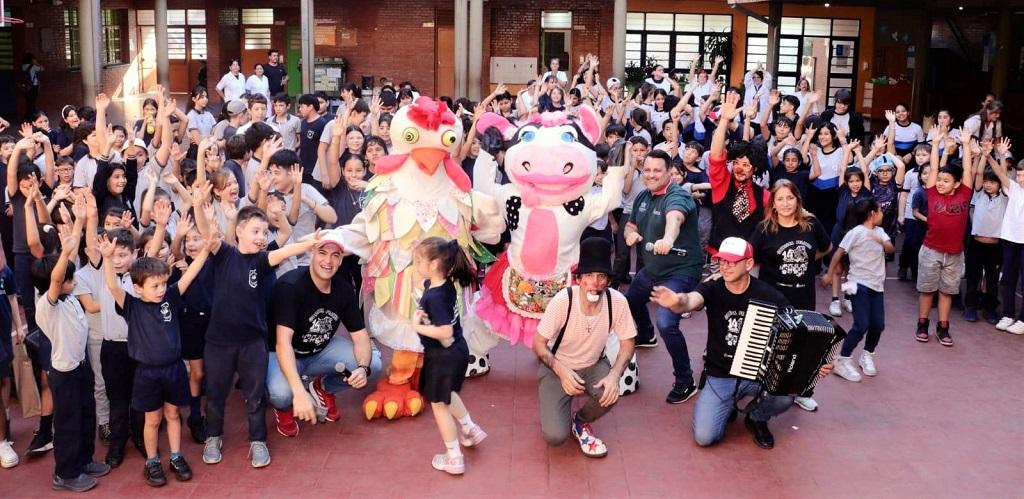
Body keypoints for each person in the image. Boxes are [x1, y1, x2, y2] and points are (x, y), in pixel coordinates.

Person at [650, 237, 832, 450]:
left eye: (732, 261)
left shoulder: (768, 295)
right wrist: (677, 302)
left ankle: (757, 417)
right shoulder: (712, 288)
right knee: (704, 437)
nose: (725, 266)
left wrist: (816, 362)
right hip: (720, 375)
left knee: (785, 395)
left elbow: (800, 331)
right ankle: (728, 406)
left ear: (748, 264)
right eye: (722, 261)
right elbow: (690, 300)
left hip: (757, 376)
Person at [193, 201, 324, 468]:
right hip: (218, 343)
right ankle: (212, 436)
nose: (261, 238)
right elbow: (209, 236)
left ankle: (258, 441)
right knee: (216, 395)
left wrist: (308, 244)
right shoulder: (224, 255)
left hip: (253, 343)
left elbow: (284, 251)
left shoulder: (262, 261)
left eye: (265, 233)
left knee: (255, 396)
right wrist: (199, 209)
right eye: (255, 231)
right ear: (239, 231)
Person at [99, 230, 211, 486]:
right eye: (155, 286)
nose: (161, 290)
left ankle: (175, 455)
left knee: (173, 415)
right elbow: (113, 286)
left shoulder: (170, 297)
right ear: (138, 288)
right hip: (147, 373)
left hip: (173, 370)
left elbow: (191, 274)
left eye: (163, 283)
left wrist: (207, 247)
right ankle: (152, 460)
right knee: (152, 419)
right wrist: (107, 259)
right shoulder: (132, 306)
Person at [30, 199, 112, 492]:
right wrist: (63, 254)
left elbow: (71, 258)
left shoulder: (71, 291)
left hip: (81, 366)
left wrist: (78, 221)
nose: (74, 277)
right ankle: (65, 473)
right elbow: (57, 274)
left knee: (86, 413)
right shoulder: (47, 305)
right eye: (68, 277)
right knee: (68, 422)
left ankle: (84, 459)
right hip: (63, 373)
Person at [267, 232, 382, 436]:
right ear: (312, 253)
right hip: (283, 354)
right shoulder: (290, 286)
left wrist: (362, 369)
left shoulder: (343, 289)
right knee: (281, 393)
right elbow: (282, 343)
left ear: (340, 260)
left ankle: (323, 387)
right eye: (322, 252)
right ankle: (284, 408)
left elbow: (361, 336)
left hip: (320, 350)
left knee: (373, 364)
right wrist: (298, 392)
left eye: (335, 255)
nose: (328, 261)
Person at [532, 237, 636, 458]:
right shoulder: (563, 301)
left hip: (593, 364)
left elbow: (628, 343)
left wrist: (614, 375)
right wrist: (562, 372)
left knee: (610, 393)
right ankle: (557, 407)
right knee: (555, 437)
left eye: (601, 276)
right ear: (578, 279)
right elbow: (538, 344)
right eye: (589, 276)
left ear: (608, 280)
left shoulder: (617, 301)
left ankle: (580, 421)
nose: (595, 282)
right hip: (558, 367)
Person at [623, 149, 703, 403]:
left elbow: (674, 219)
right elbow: (631, 224)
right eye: (647, 170)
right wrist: (629, 235)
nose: (651, 175)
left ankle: (685, 381)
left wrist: (668, 239)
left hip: (680, 271)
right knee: (632, 299)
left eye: (657, 170)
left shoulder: (677, 196)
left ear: (669, 171)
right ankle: (645, 335)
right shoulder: (643, 197)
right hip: (653, 269)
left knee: (668, 323)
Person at [411, 237, 488, 476]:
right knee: (449, 394)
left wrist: (418, 326)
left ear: (434, 265)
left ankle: (454, 456)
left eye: (419, 260)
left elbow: (444, 331)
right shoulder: (442, 285)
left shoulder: (434, 296)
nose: (415, 264)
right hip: (457, 352)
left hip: (442, 356)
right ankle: (469, 427)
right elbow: (421, 284)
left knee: (438, 404)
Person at [915, 126, 974, 346]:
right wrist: (936, 144)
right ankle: (922, 324)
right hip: (931, 249)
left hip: (954, 254)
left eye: (946, 180)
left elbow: (967, 171)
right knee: (927, 290)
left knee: (947, 292)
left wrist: (966, 145)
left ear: (957, 184)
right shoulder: (931, 192)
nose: (940, 182)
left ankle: (943, 327)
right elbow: (933, 171)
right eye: (939, 179)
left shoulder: (965, 194)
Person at [824, 198, 894, 382]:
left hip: (877, 286)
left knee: (878, 325)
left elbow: (890, 248)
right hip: (856, 283)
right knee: (861, 324)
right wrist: (830, 274)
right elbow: (838, 253)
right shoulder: (855, 232)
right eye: (880, 211)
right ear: (872, 214)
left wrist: (881, 241)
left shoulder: (881, 232)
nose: (882, 214)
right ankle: (842, 359)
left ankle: (867, 355)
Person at [963, 138, 1008, 325]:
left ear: (1000, 185)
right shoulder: (979, 193)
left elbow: (1003, 173)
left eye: (992, 182)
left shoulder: (1006, 196)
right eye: (987, 182)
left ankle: (990, 309)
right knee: (973, 276)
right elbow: (978, 172)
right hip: (976, 243)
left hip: (995, 245)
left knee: (991, 279)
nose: (988, 185)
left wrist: (1002, 156)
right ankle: (971, 307)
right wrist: (984, 155)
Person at [990, 140, 1024, 334]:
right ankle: (1008, 314)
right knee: (1008, 279)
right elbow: (1001, 173)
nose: (1020, 179)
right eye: (1018, 175)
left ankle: (1023, 320)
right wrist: (997, 155)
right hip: (1010, 240)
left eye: (1023, 176)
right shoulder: (1014, 189)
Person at [21, 53, 43, 120]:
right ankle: (29, 118)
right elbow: (42, 68)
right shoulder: (33, 67)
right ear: (31, 59)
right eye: (34, 59)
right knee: (32, 103)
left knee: (29, 102)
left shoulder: (23, 66)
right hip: (33, 86)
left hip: (26, 87)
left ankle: (28, 117)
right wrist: (36, 63)